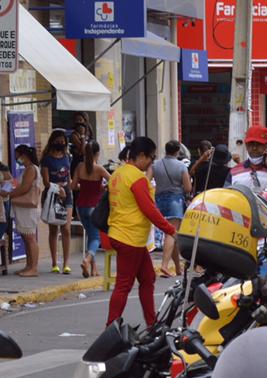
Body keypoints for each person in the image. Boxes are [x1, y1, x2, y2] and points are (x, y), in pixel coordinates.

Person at [105, 136, 176, 326]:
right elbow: (149, 209)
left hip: (120, 233)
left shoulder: (118, 174)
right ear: (142, 155)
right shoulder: (137, 178)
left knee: (147, 278)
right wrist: (171, 230)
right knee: (124, 285)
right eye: (151, 158)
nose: (151, 162)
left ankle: (152, 323)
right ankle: (111, 326)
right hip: (131, 237)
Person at [152, 140, 191, 278]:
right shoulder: (181, 166)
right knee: (172, 232)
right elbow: (187, 188)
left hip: (159, 200)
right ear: (177, 151)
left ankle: (178, 268)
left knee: (172, 234)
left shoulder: (155, 164)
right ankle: (164, 265)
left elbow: (147, 180)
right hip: (175, 200)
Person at [71, 140, 108, 278]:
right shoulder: (99, 169)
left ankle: (94, 269)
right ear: (97, 153)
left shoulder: (80, 167)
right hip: (94, 206)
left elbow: (73, 186)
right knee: (96, 238)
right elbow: (114, 180)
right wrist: (102, 189)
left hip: (80, 207)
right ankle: (87, 260)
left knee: (90, 235)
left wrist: (85, 187)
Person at [40, 129, 73, 274]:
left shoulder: (67, 156)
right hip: (52, 195)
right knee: (53, 230)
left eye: (63, 140)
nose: (61, 142)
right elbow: (46, 182)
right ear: (53, 141)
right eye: (58, 140)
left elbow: (69, 176)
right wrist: (57, 188)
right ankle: (54, 262)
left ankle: (66, 263)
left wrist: (70, 187)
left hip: (67, 195)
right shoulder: (47, 159)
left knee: (66, 228)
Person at [10, 144, 43, 278]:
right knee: (26, 237)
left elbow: (24, 188)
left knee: (30, 238)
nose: (17, 159)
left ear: (24, 156)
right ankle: (29, 265)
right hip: (23, 209)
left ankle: (33, 267)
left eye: (18, 156)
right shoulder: (27, 169)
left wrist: (9, 194)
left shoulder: (31, 169)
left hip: (29, 209)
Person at [229, 125, 267, 191]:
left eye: (258, 144)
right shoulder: (234, 171)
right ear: (246, 144)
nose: (254, 148)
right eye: (251, 144)